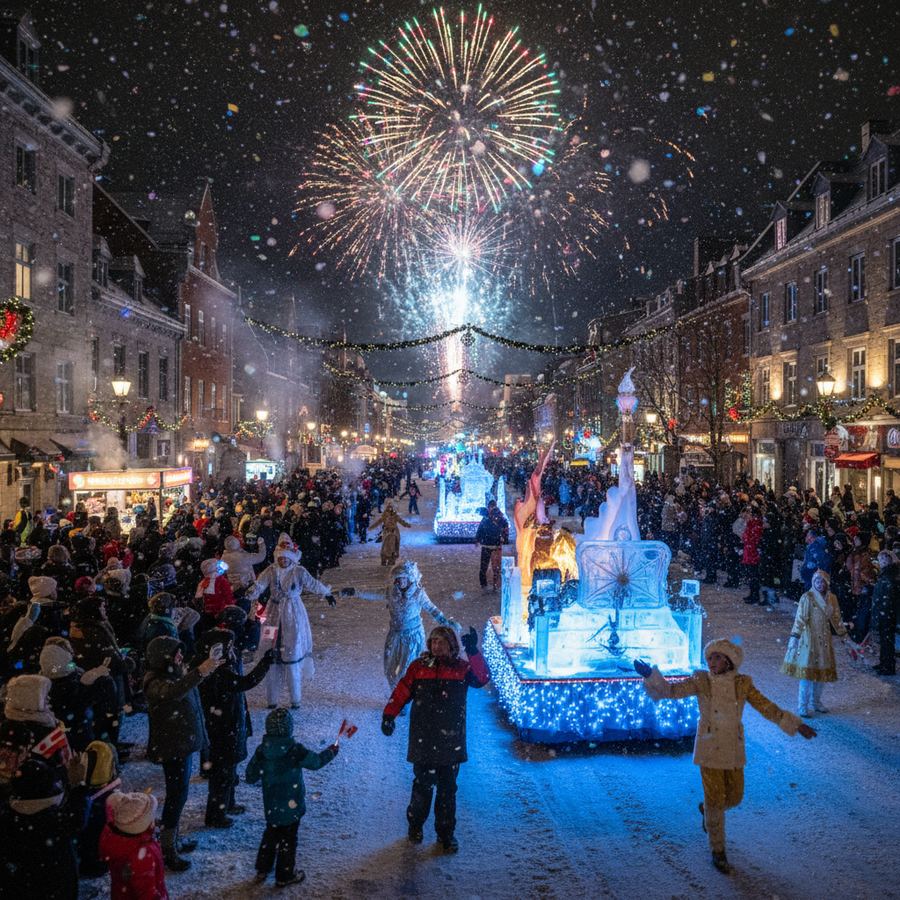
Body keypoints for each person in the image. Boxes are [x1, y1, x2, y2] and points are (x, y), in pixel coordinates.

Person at [635, 638, 816, 874]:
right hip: (709, 748)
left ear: (729, 660)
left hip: (732, 749)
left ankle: (707, 810)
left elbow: (766, 707)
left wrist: (796, 724)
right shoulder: (701, 681)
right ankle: (718, 851)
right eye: (709, 658)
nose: (711, 662)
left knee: (734, 797)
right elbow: (671, 691)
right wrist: (651, 675)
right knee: (716, 802)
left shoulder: (742, 684)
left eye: (717, 657)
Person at [381, 624, 490, 853]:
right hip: (424, 737)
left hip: (451, 740)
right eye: (434, 641)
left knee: (447, 791)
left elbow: (482, 678)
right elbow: (402, 690)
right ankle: (415, 828)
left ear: (452, 645)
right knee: (422, 787)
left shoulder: (461, 668)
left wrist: (473, 651)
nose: (436, 646)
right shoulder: (419, 667)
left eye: (442, 642)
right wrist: (389, 715)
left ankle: (446, 835)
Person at [143, 635, 224, 870]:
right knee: (176, 796)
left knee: (180, 794)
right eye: (176, 653)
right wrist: (200, 671)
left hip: (180, 744)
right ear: (163, 657)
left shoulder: (173, 674)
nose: (180, 656)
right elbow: (173, 692)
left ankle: (173, 839)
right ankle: (168, 848)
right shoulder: (155, 682)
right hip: (172, 747)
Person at [245, 707, 339, 887]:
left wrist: (263, 771)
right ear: (289, 729)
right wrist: (331, 752)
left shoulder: (262, 751)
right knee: (288, 840)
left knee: (270, 835)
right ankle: (284, 875)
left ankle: (262, 868)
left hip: (272, 806)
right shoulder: (295, 750)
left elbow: (250, 776)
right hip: (292, 806)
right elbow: (316, 762)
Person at [194, 624, 274, 827]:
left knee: (228, 772)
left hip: (227, 727)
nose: (232, 650)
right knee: (222, 775)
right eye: (228, 647)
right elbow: (246, 682)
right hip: (223, 730)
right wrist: (265, 663)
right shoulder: (218, 673)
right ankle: (216, 814)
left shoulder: (219, 668)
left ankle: (227, 804)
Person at [247, 542, 338, 709]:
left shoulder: (299, 571)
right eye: (280, 558)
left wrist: (327, 593)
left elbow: (313, 584)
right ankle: (272, 699)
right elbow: (260, 584)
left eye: (286, 558)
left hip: (293, 614)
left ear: (291, 559)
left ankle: (295, 698)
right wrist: (250, 592)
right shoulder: (271, 570)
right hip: (272, 615)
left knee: (292, 653)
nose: (283, 561)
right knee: (269, 651)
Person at [353, 559, 456, 694]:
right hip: (395, 636)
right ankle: (398, 694)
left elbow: (432, 609)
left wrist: (445, 621)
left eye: (402, 578)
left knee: (405, 670)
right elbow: (373, 593)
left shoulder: (418, 594)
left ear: (410, 578)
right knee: (389, 670)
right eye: (397, 578)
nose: (399, 581)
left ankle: (405, 696)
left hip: (412, 637)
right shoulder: (392, 592)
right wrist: (354, 591)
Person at [0, 755, 90, 899]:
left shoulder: (7, 816)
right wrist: (78, 784)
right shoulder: (53, 821)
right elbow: (78, 816)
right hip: (56, 889)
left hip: (18, 888)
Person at [781, 569, 848, 716]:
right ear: (813, 582)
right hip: (809, 640)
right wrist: (795, 636)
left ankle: (816, 702)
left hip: (824, 640)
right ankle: (802, 705)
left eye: (823, 581)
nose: (820, 584)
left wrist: (844, 635)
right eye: (817, 581)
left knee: (821, 673)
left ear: (827, 583)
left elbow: (836, 618)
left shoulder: (832, 598)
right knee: (807, 674)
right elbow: (800, 619)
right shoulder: (807, 597)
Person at [100, 790, 169, 899]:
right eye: (151, 818)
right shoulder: (142, 856)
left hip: (123, 894)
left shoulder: (115, 834)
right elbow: (147, 893)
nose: (155, 820)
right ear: (142, 826)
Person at [870, 551, 899, 676]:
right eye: (880, 559)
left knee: (887, 640)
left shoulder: (891, 574)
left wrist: (884, 610)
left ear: (890, 560)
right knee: (884, 639)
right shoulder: (886, 573)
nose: (881, 562)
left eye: (884, 559)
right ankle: (884, 662)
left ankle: (888, 666)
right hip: (884, 611)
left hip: (887, 612)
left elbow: (890, 596)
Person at [475, 501, 509, 593]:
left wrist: (478, 539)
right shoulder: (496, 517)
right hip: (492, 545)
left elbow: (481, 529)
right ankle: (491, 585)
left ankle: (490, 585)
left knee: (490, 567)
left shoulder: (489, 517)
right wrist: (504, 538)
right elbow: (505, 528)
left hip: (491, 546)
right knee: (491, 567)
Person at [372, 501, 411, 567]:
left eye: (391, 508)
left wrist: (407, 525)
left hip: (394, 533)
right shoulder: (384, 516)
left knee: (393, 546)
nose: (390, 509)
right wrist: (371, 527)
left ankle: (391, 560)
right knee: (386, 547)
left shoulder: (395, 516)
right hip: (387, 533)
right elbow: (378, 522)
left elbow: (401, 521)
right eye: (389, 508)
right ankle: (384, 560)